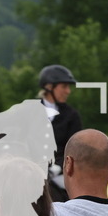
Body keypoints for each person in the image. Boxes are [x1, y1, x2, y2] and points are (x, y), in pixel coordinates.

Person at [38, 64, 83, 201]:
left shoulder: (71, 115)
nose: (68, 91)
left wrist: (58, 166)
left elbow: (75, 147)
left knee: (72, 197)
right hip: (32, 169)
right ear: (49, 87)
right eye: (64, 87)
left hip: (59, 172)